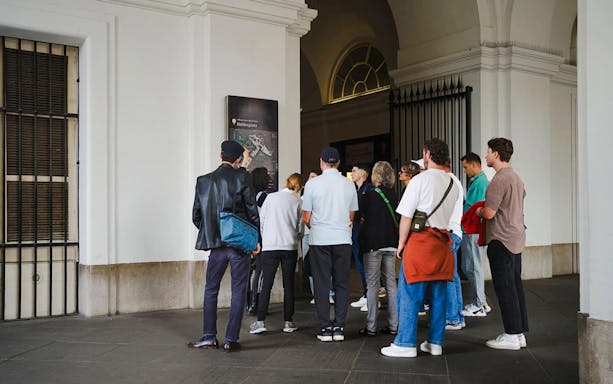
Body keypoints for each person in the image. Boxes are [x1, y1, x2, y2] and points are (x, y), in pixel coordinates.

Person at [381, 138, 460, 358]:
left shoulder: (420, 180)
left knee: (410, 293)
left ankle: (405, 343)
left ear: (427, 155)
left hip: (421, 242)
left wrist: (401, 243)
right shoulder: (453, 183)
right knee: (438, 295)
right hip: (443, 243)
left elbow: (406, 216)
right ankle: (435, 342)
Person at [188, 140, 260, 352]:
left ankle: (209, 336)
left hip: (216, 246)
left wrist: (212, 231)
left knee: (211, 289)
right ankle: (231, 339)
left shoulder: (203, 181)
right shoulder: (243, 176)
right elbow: (252, 210)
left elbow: (196, 216)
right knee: (238, 290)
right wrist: (256, 240)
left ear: (220, 155)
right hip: (239, 244)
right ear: (238, 159)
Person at [476, 138, 528, 350]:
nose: (486, 156)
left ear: (496, 154)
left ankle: (511, 335)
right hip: (516, 237)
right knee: (515, 286)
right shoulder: (516, 177)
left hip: (501, 239)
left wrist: (477, 210)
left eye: (488, 152)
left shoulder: (499, 179)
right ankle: (519, 333)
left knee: (504, 288)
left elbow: (489, 212)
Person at [302, 147, 358, 342]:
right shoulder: (349, 185)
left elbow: (306, 217)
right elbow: (352, 215)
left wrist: (318, 225)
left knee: (322, 284)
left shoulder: (312, 184)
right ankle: (340, 327)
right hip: (343, 239)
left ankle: (325, 328)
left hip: (320, 240)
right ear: (339, 163)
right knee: (342, 284)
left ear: (321, 162)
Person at [250, 173, 303, 334]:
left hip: (270, 247)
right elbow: (300, 228)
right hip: (290, 247)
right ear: (299, 186)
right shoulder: (298, 202)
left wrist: (266, 239)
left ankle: (260, 322)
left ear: (287, 183)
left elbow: (262, 221)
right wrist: (295, 237)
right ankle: (288, 322)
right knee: (289, 286)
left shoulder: (271, 198)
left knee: (267, 284)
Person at [358, 161, 399, 337]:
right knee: (391, 284)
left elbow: (360, 215)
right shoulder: (396, 195)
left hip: (373, 245)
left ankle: (371, 326)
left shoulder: (369, 195)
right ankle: (394, 325)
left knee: (373, 285)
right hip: (391, 243)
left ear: (376, 176)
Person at [460, 152, 491, 317]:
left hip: (472, 230)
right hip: (472, 230)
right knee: (470, 266)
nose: (465, 170)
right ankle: (481, 302)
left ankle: (479, 304)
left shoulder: (479, 183)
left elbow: (471, 207)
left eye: (465, 167)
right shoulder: (480, 182)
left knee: (473, 266)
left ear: (473, 165)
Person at [301, 170, 335, 305]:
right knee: (310, 267)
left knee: (326, 265)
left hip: (321, 235)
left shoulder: (323, 198)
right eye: (310, 177)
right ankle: (317, 294)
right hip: (308, 236)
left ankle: (329, 293)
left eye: (315, 178)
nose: (312, 180)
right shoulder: (302, 199)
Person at [246, 167, 271, 315]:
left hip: (249, 236)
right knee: (260, 272)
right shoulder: (263, 197)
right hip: (261, 237)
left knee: (249, 272)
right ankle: (256, 303)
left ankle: (248, 303)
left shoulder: (249, 195)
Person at [444, 163, 465, 330]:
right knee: (454, 276)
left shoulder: (447, 182)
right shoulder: (455, 181)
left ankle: (453, 318)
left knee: (448, 277)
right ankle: (457, 316)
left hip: (449, 232)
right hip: (455, 231)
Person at [350, 165, 372, 311]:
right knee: (359, 262)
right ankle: (366, 294)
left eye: (354, 170)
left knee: (365, 263)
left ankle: (370, 297)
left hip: (362, 230)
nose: (352, 173)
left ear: (363, 173)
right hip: (356, 228)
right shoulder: (356, 190)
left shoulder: (368, 189)